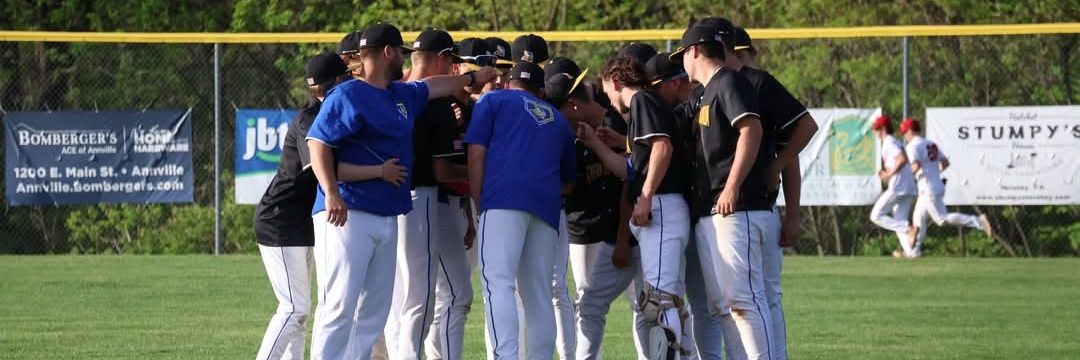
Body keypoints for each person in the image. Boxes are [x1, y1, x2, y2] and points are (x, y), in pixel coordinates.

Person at [305, 22, 496, 360]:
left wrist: (469, 79)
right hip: (347, 213)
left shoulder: (400, 94)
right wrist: (331, 192)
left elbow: (434, 85)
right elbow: (318, 142)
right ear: (388, 53)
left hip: (388, 213)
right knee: (338, 306)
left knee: (374, 311)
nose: (405, 62)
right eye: (401, 54)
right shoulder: (349, 93)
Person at [674, 21, 773, 360]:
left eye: (682, 55)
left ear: (694, 51)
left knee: (743, 300)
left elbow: (751, 130)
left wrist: (732, 186)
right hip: (713, 210)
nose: (681, 63)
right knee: (725, 305)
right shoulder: (707, 90)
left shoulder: (729, 80)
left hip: (736, 207)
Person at [466, 61, 576, 360]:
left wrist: (478, 202)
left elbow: (476, 154)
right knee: (538, 293)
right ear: (540, 90)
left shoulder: (492, 100)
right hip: (546, 209)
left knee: (498, 284)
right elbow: (568, 183)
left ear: (506, 81)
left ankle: (506, 357)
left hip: (502, 201)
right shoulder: (557, 117)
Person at [546, 59, 649, 360]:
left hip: (629, 231)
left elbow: (629, 182)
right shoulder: (567, 134)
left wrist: (621, 239)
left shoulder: (620, 122)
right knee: (588, 305)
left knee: (643, 306)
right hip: (586, 232)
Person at [728, 24, 819, 360]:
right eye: (737, 54)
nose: (743, 61)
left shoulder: (759, 84)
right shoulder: (722, 87)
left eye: (744, 54)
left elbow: (791, 150)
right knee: (750, 297)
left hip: (759, 209)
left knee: (760, 295)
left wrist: (792, 213)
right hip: (742, 211)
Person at [382, 28, 474, 360]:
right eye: (451, 60)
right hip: (420, 198)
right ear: (440, 60)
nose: (453, 68)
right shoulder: (435, 105)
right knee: (418, 297)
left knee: (399, 298)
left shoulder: (394, 92)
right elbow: (443, 172)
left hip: (389, 198)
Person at [252, 52, 350, 360]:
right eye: (346, 76)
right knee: (294, 308)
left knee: (300, 311)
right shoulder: (309, 120)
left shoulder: (323, 112)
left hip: (300, 221)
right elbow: (322, 170)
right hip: (279, 220)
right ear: (337, 81)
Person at [598, 55, 693, 360]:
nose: (610, 101)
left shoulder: (642, 100)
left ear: (615, 82)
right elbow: (633, 167)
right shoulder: (648, 104)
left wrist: (647, 196)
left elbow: (662, 146)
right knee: (671, 300)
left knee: (659, 301)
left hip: (662, 208)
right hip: (668, 208)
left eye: (607, 92)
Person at [421, 36, 489, 360]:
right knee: (454, 295)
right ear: (456, 66)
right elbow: (443, 171)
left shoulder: (470, 109)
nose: (487, 74)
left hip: (454, 207)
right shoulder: (442, 106)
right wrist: (478, 175)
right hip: (433, 204)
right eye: (478, 67)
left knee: (443, 297)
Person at [901, 118, 993, 257]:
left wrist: (906, 177)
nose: (904, 136)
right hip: (934, 185)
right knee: (918, 218)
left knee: (942, 220)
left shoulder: (912, 145)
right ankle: (913, 251)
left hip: (928, 188)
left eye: (904, 132)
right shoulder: (930, 143)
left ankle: (978, 221)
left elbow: (916, 165)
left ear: (910, 131)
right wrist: (933, 173)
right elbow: (944, 163)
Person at [868, 115, 918, 258]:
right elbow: (903, 159)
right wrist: (888, 173)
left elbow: (902, 158)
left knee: (876, 216)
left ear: (883, 129)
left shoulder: (889, 141)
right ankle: (912, 253)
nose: (875, 132)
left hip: (899, 186)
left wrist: (890, 173)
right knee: (898, 220)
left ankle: (909, 229)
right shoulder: (891, 141)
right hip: (908, 186)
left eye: (876, 129)